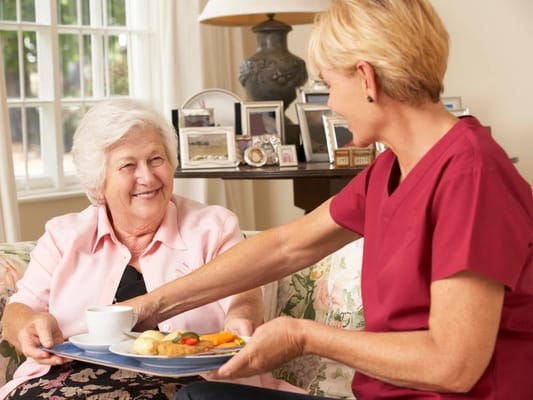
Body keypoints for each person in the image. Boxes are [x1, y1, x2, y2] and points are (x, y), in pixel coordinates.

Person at [122, 1, 533, 399]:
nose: (331, 104)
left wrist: (305, 336)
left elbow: (452, 365)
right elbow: (287, 246)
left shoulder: (472, 175)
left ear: (367, 79)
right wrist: (149, 306)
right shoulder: (392, 167)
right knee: (201, 396)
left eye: (329, 85)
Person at [0, 98, 272, 399]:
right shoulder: (63, 236)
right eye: (128, 165)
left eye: (156, 159)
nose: (148, 177)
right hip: (63, 380)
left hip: (187, 380)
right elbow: (17, 312)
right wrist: (29, 326)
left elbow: (243, 293)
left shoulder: (212, 227)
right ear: (97, 184)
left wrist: (241, 318)